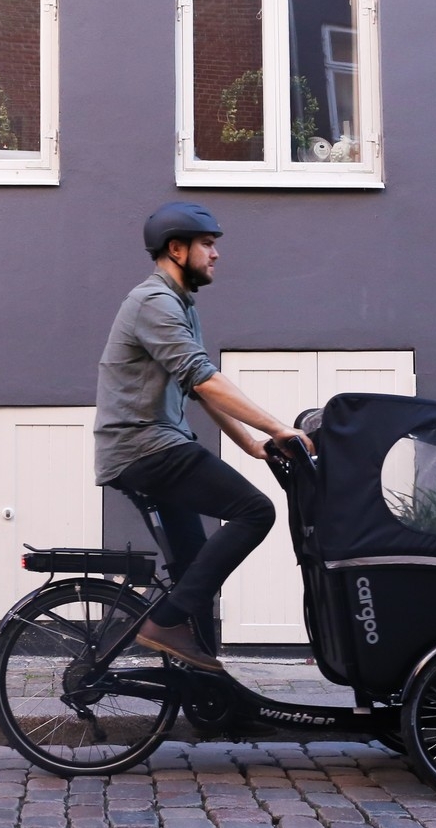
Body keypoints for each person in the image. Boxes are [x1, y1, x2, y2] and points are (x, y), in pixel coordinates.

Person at [93, 202, 310, 674]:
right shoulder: (154, 302)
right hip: (146, 446)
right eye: (208, 245)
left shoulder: (179, 305)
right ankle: (164, 624)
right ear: (177, 248)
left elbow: (199, 386)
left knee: (195, 574)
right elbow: (204, 378)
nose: (216, 255)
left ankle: (207, 691)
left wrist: (254, 445)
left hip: (152, 445)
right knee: (255, 511)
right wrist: (277, 427)